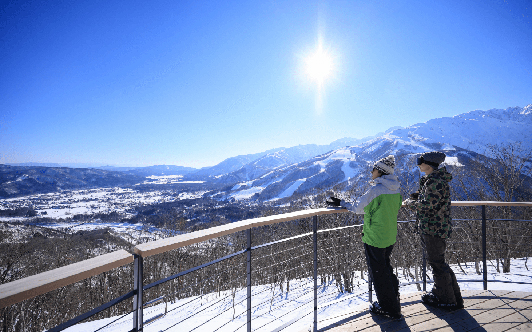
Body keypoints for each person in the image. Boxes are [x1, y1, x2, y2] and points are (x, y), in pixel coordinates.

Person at [328, 155, 403, 319]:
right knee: (386, 269)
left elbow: (358, 208)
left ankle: (389, 308)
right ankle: (394, 301)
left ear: (381, 171)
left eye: (374, 169)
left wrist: (342, 203)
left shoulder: (377, 190)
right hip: (389, 236)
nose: (371, 171)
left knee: (379, 273)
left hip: (375, 237)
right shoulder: (395, 189)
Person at [403, 151, 464, 310]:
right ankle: (453, 297)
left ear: (428, 164)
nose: (418, 164)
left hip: (433, 228)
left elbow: (425, 207)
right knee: (439, 263)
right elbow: (430, 201)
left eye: (420, 161)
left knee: (437, 264)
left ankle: (446, 300)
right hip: (436, 226)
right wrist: (419, 196)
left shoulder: (435, 182)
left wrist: (410, 202)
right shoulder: (433, 180)